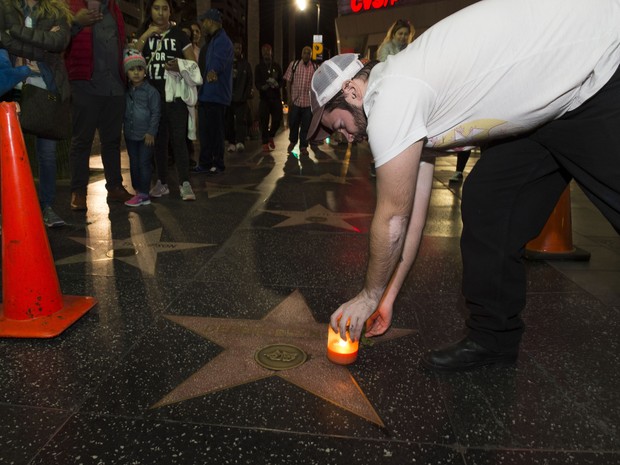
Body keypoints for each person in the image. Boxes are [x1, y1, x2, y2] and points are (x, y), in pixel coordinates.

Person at [308, 0, 620, 372]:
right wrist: (386, 299)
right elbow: (410, 216)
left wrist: (366, 295)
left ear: (351, 91)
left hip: (600, 67)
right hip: (546, 109)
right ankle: (493, 341)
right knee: (489, 202)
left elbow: (390, 220)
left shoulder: (390, 96)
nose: (343, 137)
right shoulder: (402, 99)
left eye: (337, 125)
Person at [0, 0, 71, 226]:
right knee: (7, 154)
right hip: (11, 88)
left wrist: (17, 34)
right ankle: (10, 211)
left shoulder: (57, 10)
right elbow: (2, 40)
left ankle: (46, 208)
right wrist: (42, 41)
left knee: (47, 155)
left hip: (45, 88)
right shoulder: (6, 6)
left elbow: (59, 42)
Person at [65, 0, 132, 210]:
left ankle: (114, 187)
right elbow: (59, 39)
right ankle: (78, 192)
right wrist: (76, 22)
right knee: (82, 141)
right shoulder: (72, 5)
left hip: (114, 86)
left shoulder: (114, 8)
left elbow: (120, 41)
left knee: (112, 141)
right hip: (85, 84)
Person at [134, 0, 197, 201]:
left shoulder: (179, 35)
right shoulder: (144, 35)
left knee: (178, 138)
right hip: (152, 96)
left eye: (165, 8)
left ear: (170, 11)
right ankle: (161, 182)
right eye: (156, 8)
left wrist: (178, 66)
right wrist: (146, 35)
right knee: (158, 140)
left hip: (174, 95)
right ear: (149, 11)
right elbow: (133, 58)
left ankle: (185, 183)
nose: (161, 13)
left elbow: (193, 64)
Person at [193, 8, 233, 175]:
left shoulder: (222, 40)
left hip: (215, 95)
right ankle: (205, 162)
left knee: (214, 132)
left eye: (205, 21)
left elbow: (218, 61)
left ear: (212, 21)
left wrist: (213, 71)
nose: (203, 24)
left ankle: (217, 163)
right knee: (206, 132)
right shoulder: (212, 40)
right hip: (207, 94)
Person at [122, 50, 160, 207]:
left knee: (144, 163)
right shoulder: (126, 91)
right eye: (132, 69)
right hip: (130, 135)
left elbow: (156, 113)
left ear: (145, 71)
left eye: (140, 69)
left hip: (146, 135)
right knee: (134, 163)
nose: (136, 73)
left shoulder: (151, 92)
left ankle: (144, 193)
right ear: (126, 72)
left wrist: (151, 132)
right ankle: (139, 191)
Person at [283, 46, 317, 157]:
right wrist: (289, 96)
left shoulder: (315, 68)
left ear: (311, 55)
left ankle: (303, 146)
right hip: (296, 101)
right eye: (304, 52)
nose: (306, 55)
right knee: (293, 124)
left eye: (309, 53)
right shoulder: (294, 65)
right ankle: (293, 141)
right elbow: (288, 81)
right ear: (301, 54)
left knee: (305, 126)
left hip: (308, 103)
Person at [225, 40, 253, 153]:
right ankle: (231, 142)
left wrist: (245, 95)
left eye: (239, 48)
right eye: (235, 48)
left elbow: (249, 81)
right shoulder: (227, 62)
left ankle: (240, 141)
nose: (237, 50)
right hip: (228, 98)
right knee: (229, 121)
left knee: (241, 120)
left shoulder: (245, 64)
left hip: (241, 98)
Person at [255, 43, 283, 153]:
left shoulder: (276, 66)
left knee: (277, 119)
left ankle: (271, 135)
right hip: (264, 98)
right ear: (262, 53)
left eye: (268, 50)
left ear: (271, 52)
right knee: (264, 121)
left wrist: (277, 85)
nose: (266, 53)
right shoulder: (259, 67)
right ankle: (265, 142)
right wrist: (263, 87)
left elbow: (281, 80)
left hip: (275, 97)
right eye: (264, 51)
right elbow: (257, 82)